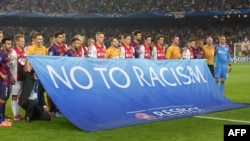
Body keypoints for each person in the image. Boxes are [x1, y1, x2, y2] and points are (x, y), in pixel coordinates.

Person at [10, 34, 26, 121]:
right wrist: (11, 76)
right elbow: (9, 65)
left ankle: (18, 113)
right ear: (16, 41)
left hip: (23, 77)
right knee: (14, 96)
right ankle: (15, 114)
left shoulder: (24, 51)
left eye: (24, 41)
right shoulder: (13, 52)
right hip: (16, 78)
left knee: (20, 96)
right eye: (21, 41)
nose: (23, 42)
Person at [0, 38, 15, 126]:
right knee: (2, 99)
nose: (10, 46)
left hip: (7, 79)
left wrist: (11, 76)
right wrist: (1, 75)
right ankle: (1, 121)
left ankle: (3, 118)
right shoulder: (1, 54)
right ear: (3, 45)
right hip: (3, 81)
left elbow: (6, 65)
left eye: (10, 44)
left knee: (4, 99)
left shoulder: (6, 54)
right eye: (8, 44)